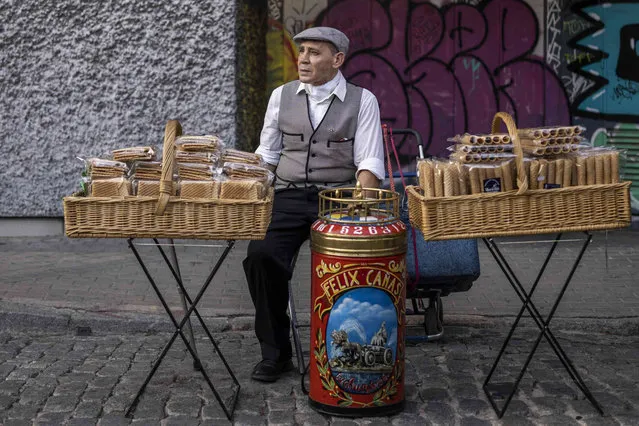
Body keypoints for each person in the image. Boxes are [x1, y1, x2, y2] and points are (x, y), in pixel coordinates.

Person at [243, 27, 385, 382]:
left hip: (338, 198)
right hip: (288, 194)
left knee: (349, 266)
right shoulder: (281, 96)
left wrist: (363, 216)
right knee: (261, 257)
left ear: (337, 60)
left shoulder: (362, 99)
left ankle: (346, 349)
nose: (303, 59)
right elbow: (268, 154)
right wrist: (248, 187)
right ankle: (276, 353)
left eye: (314, 52)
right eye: (302, 51)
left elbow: (369, 164)